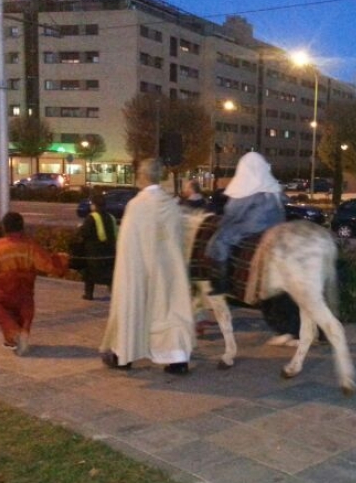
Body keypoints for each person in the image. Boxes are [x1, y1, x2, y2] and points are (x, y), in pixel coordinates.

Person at [100, 158, 195, 374]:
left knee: (134, 308)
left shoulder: (136, 206)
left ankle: (124, 356)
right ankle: (177, 359)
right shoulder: (170, 204)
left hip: (140, 270)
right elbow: (180, 238)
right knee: (170, 310)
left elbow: (127, 245)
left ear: (141, 176)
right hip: (169, 270)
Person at [0, 211, 69, 356]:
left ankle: (14, 336)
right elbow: (49, 265)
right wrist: (63, 260)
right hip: (25, 287)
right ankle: (21, 335)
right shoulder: (31, 245)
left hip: (3, 288)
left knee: (0, 308)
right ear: (22, 227)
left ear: (4, 228)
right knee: (25, 311)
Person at [205, 151, 285, 295]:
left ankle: (222, 283)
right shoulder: (269, 183)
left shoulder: (246, 185)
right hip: (276, 224)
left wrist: (223, 223)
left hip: (256, 225)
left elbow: (233, 212)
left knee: (222, 239)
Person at [78, 193, 117, 300]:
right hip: (109, 251)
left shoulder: (92, 217)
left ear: (94, 205)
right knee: (110, 274)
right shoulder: (111, 217)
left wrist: (80, 228)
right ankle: (114, 294)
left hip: (94, 251)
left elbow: (84, 232)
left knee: (90, 274)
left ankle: (89, 294)